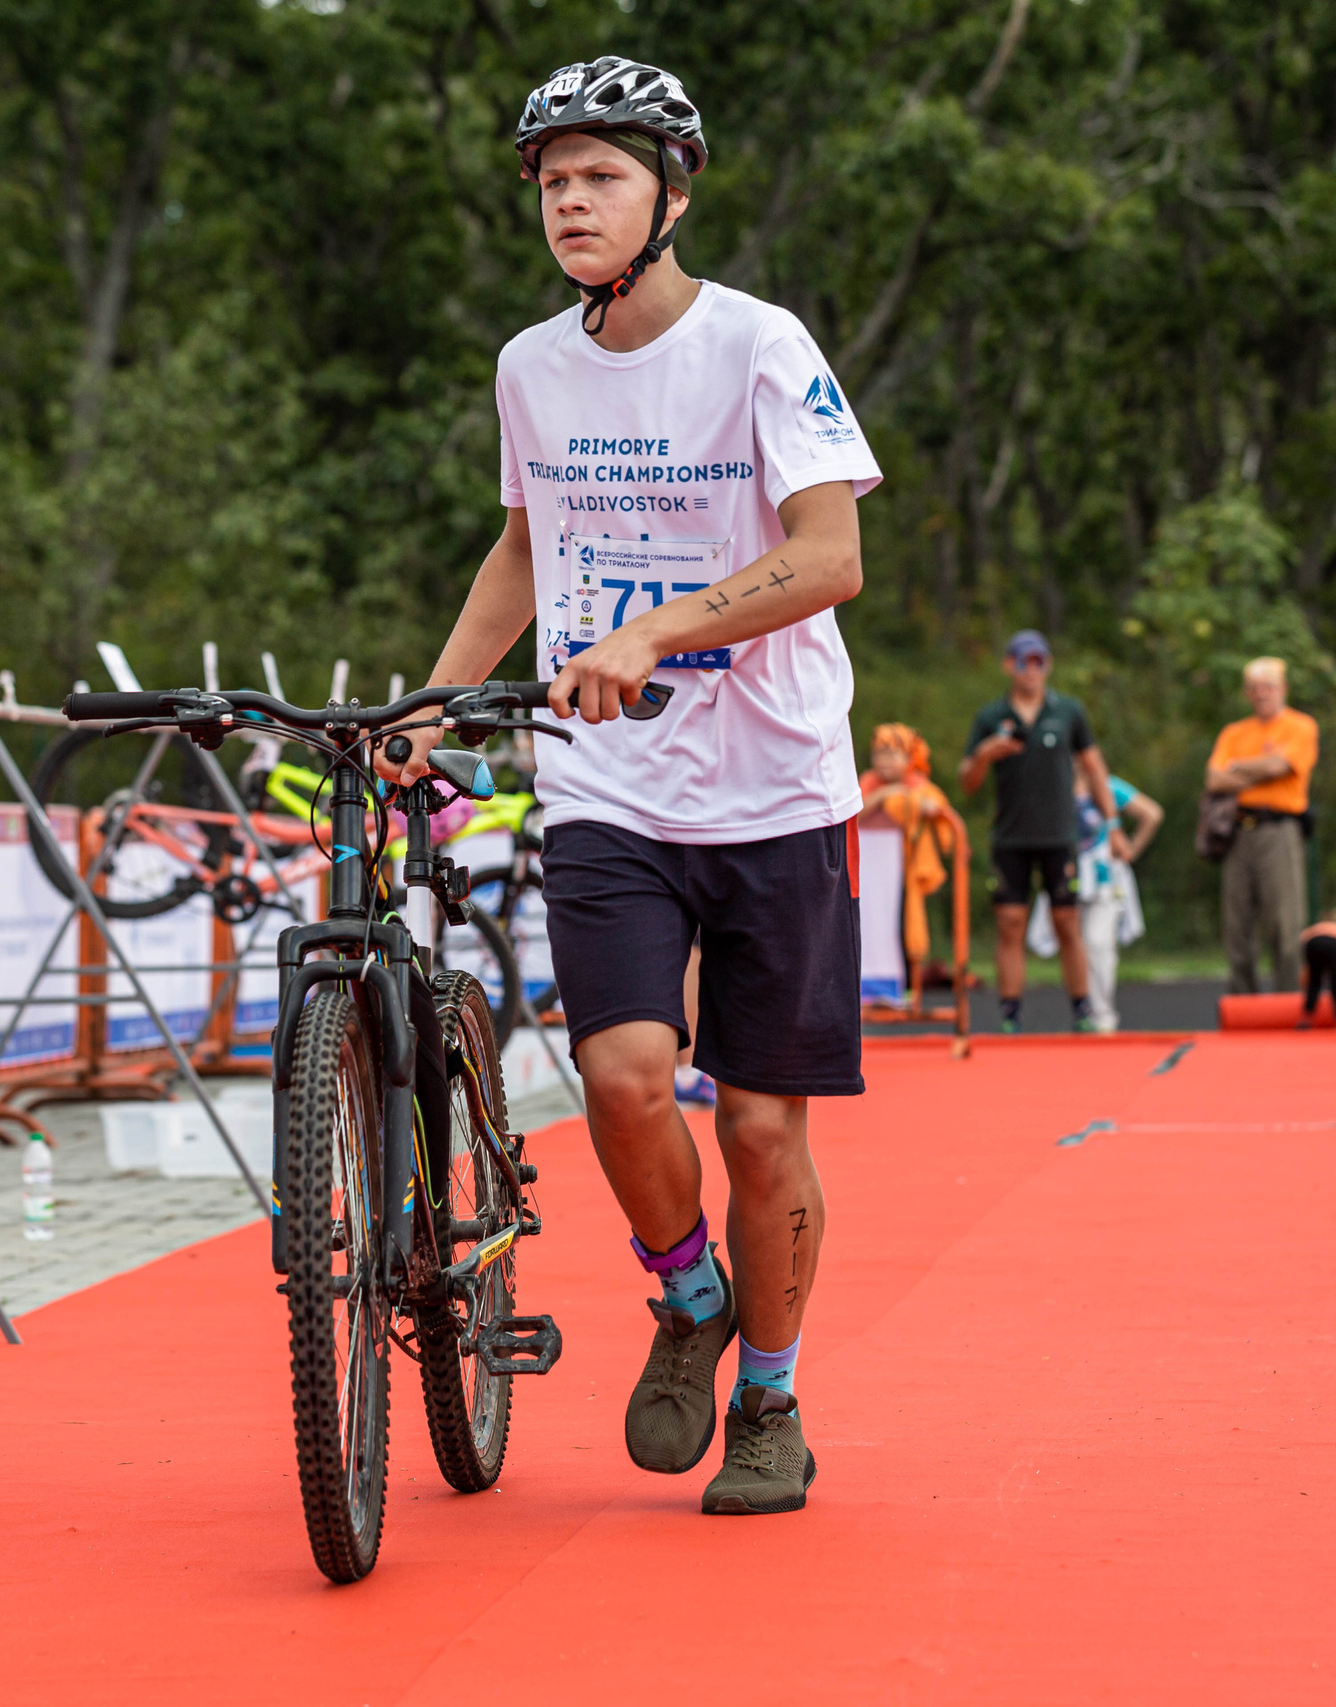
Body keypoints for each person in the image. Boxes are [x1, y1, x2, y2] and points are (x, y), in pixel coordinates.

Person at [381, 57, 880, 1517]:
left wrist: (656, 628)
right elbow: (525, 548)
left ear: (672, 194)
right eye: (551, 182)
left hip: (778, 787)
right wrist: (432, 699)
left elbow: (832, 556)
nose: (569, 204)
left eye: (599, 176)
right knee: (619, 1074)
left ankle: (771, 1399)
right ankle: (688, 1296)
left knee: (761, 1131)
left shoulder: (761, 346)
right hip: (607, 782)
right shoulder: (530, 367)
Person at [960, 631, 1126, 1033]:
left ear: (1048, 666)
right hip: (1011, 837)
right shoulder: (991, 716)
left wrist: (1113, 825)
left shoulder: (1068, 711)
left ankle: (1082, 1009)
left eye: (1040, 662)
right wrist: (984, 754)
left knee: (1067, 921)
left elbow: (1095, 768)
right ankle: (1010, 1013)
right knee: (1010, 922)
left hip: (1060, 835)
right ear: (1009, 665)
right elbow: (967, 781)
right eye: (1025, 662)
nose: (1032, 670)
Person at [1206, 657, 1319, 995]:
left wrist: (1237, 768)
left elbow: (1279, 767)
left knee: (1284, 922)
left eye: (1268, 686)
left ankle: (1289, 1001)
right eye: (1254, 688)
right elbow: (1214, 779)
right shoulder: (1234, 732)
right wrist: (1263, 767)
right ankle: (1244, 1004)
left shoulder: (1300, 727)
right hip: (1238, 831)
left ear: (1283, 689)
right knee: (1237, 924)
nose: (1261, 694)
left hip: (1279, 830)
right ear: (1247, 693)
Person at [859, 722, 963, 982]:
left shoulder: (917, 784)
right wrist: (888, 793)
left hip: (904, 869)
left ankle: (907, 983)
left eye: (892, 754)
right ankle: (868, 984)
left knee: (904, 923)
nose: (884, 761)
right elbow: (856, 811)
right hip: (870, 870)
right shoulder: (869, 782)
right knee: (870, 921)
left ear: (908, 758)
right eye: (879, 754)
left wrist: (923, 805)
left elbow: (935, 804)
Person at [1075, 772, 1160, 1032]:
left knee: (1098, 943)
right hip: (1067, 880)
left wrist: (1131, 850)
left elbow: (1152, 814)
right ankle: (1081, 1014)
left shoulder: (1106, 786)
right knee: (1075, 948)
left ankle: (1102, 1017)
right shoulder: (1056, 785)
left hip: (1104, 881)